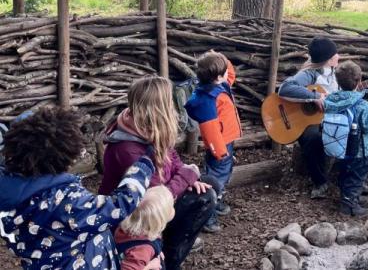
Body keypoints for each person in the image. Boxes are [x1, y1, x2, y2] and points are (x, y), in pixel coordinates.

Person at [0, 107, 154, 270]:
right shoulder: (65, 201)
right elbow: (120, 205)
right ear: (62, 155)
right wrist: (143, 166)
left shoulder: (8, 193)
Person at [99, 76, 217, 270]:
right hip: (133, 218)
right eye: (169, 102)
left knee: (208, 185)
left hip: (154, 197)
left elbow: (173, 158)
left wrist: (187, 175)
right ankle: (165, 260)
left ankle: (165, 243)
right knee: (204, 199)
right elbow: (156, 198)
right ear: (158, 109)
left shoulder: (145, 129)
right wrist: (187, 177)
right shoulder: (127, 150)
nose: (173, 107)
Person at [185, 50, 242, 233]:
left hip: (225, 142)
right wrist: (220, 152)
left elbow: (230, 74)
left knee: (222, 176)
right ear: (218, 77)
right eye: (224, 70)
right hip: (220, 145)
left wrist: (221, 57)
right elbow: (210, 131)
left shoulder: (217, 85)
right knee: (216, 179)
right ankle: (207, 216)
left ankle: (215, 203)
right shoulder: (209, 99)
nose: (228, 74)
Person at [278, 36, 339, 199]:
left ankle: (350, 181)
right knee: (312, 138)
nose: (338, 57)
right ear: (328, 59)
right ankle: (320, 182)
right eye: (335, 55)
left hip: (327, 117)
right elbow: (285, 89)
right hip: (303, 120)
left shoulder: (335, 73)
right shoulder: (310, 73)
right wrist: (315, 96)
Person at [322, 61, 368, 216]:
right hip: (359, 149)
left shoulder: (331, 101)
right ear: (359, 81)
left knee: (345, 172)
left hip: (338, 146)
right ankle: (349, 206)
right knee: (356, 177)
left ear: (337, 81)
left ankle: (350, 197)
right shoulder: (361, 104)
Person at [116, 186, 176, 270]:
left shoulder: (124, 223)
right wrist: (150, 266)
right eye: (171, 207)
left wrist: (156, 250)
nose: (173, 209)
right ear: (158, 222)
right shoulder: (142, 250)